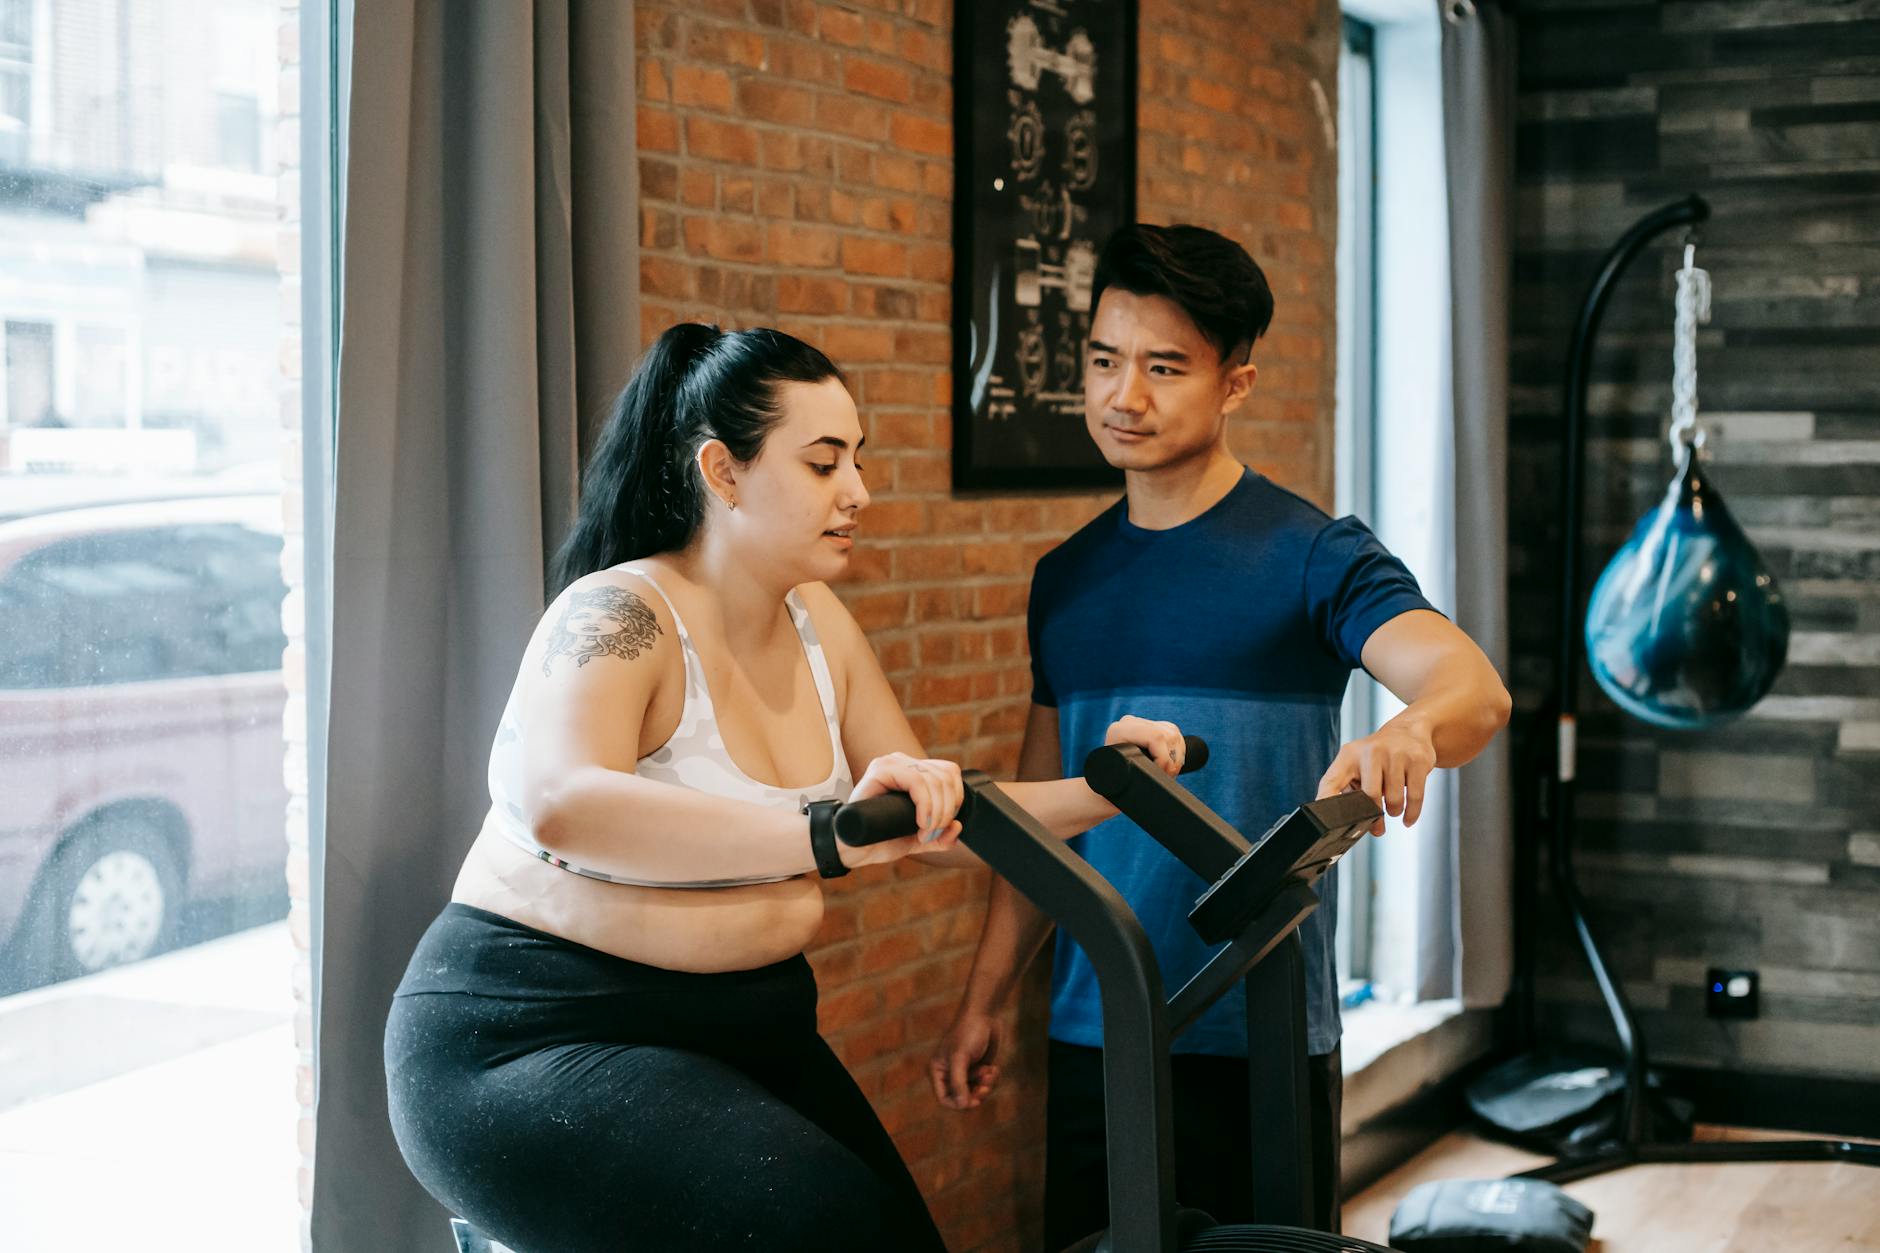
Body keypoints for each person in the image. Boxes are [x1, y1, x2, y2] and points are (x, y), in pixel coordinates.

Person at [382, 322, 1188, 1253]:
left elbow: (942, 812)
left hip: (740, 1025)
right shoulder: (619, 613)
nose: (858, 491)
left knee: (898, 1239)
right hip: (529, 1035)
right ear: (723, 473)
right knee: (825, 1224)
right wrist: (820, 832)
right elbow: (566, 801)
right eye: (822, 462)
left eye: (856, 459)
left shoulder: (820, 626)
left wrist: (1108, 787)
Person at [929, 225, 1512, 1246]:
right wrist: (983, 997)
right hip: (1098, 1020)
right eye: (1104, 361)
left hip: (1264, 1025)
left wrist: (1412, 727)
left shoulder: (1310, 555)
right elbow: (1038, 822)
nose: (1124, 396)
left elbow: (1470, 685)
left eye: (1163, 368)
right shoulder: (1061, 581)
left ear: (1232, 385)